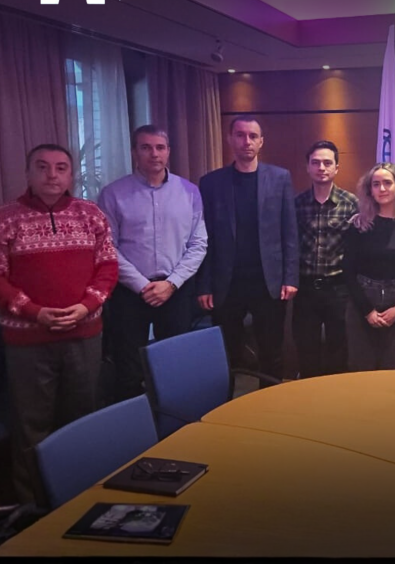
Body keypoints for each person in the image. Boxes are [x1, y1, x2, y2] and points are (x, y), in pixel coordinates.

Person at [0, 144, 118, 504]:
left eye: (61, 168)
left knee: (81, 421)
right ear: (29, 174)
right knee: (30, 427)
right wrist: (33, 310)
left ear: (71, 175)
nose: (52, 175)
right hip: (27, 341)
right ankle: (31, 506)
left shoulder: (91, 214)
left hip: (84, 335)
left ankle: (80, 498)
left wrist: (86, 306)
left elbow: (108, 267)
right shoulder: (6, 218)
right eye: (43, 167)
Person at [98, 125, 207, 400]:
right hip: (130, 293)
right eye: (146, 147)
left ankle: (174, 423)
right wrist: (142, 285)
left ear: (168, 152)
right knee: (129, 368)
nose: (154, 154)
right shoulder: (113, 194)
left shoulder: (189, 191)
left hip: (176, 290)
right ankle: (133, 430)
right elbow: (107, 247)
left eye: (160, 147)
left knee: (176, 364)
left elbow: (198, 244)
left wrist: (171, 283)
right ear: (135, 152)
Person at [197, 116, 298, 382]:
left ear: (261, 142)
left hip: (269, 282)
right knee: (227, 353)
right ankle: (229, 410)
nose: (246, 141)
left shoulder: (280, 178)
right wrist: (205, 284)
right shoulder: (211, 183)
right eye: (240, 135)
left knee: (272, 353)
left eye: (253, 136)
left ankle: (270, 409)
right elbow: (204, 238)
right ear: (230, 139)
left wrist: (290, 277)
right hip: (226, 282)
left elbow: (289, 231)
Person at [344, 163, 395, 371]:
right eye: (376, 184)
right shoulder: (358, 225)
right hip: (362, 306)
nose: (382, 189)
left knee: (394, 371)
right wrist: (368, 311)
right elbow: (348, 272)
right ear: (369, 190)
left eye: (388, 183)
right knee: (361, 370)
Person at [293, 141, 357, 378]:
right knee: (306, 349)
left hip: (338, 289)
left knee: (338, 350)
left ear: (336, 168)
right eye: (316, 162)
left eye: (327, 163)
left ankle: (335, 403)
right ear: (308, 167)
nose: (321, 167)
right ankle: (309, 402)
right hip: (306, 289)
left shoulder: (351, 204)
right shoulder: (297, 204)